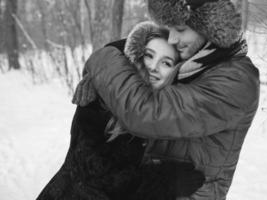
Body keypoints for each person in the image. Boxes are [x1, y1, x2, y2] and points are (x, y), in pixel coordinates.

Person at [72, 0, 260, 199]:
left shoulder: (236, 81)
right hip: (153, 189)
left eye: (179, 29)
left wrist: (104, 59)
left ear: (210, 28)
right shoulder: (199, 60)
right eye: (169, 29)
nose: (172, 38)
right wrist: (122, 57)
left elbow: (146, 113)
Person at [36, 21, 205, 200]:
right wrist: (168, 182)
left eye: (166, 62)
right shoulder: (100, 98)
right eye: (149, 55)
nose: (153, 67)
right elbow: (97, 175)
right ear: (137, 56)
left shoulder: (158, 106)